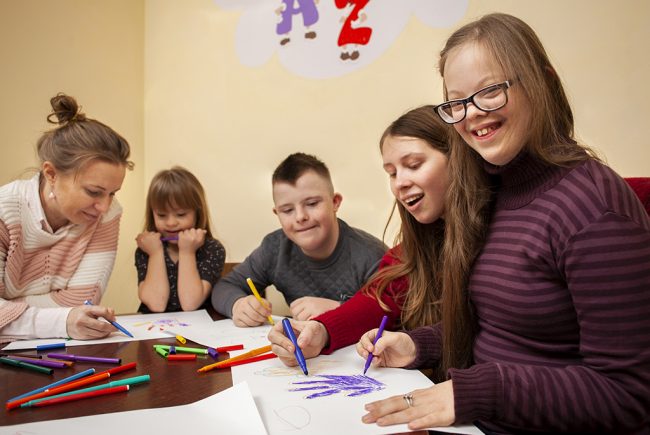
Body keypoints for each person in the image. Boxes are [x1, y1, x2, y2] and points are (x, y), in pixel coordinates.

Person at [358, 13, 650, 434]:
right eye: (457, 102)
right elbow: (500, 329)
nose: (472, 115)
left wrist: (481, 391)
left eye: (490, 91)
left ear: (543, 81)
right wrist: (417, 343)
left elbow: (629, 395)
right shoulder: (491, 192)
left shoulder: (594, 206)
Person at [268, 106, 482, 366]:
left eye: (413, 165)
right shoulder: (411, 251)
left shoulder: (499, 237)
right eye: (391, 173)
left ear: (457, 159)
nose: (399, 182)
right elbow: (380, 299)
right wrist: (322, 331)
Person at [0, 93, 134, 341]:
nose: (104, 206)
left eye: (112, 193)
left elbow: (80, 301)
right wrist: (62, 319)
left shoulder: (108, 214)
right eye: (93, 192)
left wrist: (10, 309)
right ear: (51, 173)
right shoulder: (4, 211)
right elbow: (70, 313)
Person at [211, 152, 387, 327]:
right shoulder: (274, 248)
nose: (300, 217)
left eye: (312, 204)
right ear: (277, 213)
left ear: (335, 202)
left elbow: (397, 316)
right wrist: (237, 304)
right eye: (287, 210)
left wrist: (340, 310)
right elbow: (224, 287)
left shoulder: (373, 255)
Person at [135, 166, 225, 313]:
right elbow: (156, 304)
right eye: (162, 215)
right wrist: (155, 253)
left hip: (199, 330)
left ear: (197, 213)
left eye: (181, 214)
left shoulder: (212, 248)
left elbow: (190, 304)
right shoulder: (148, 248)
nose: (171, 223)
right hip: (155, 330)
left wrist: (187, 252)